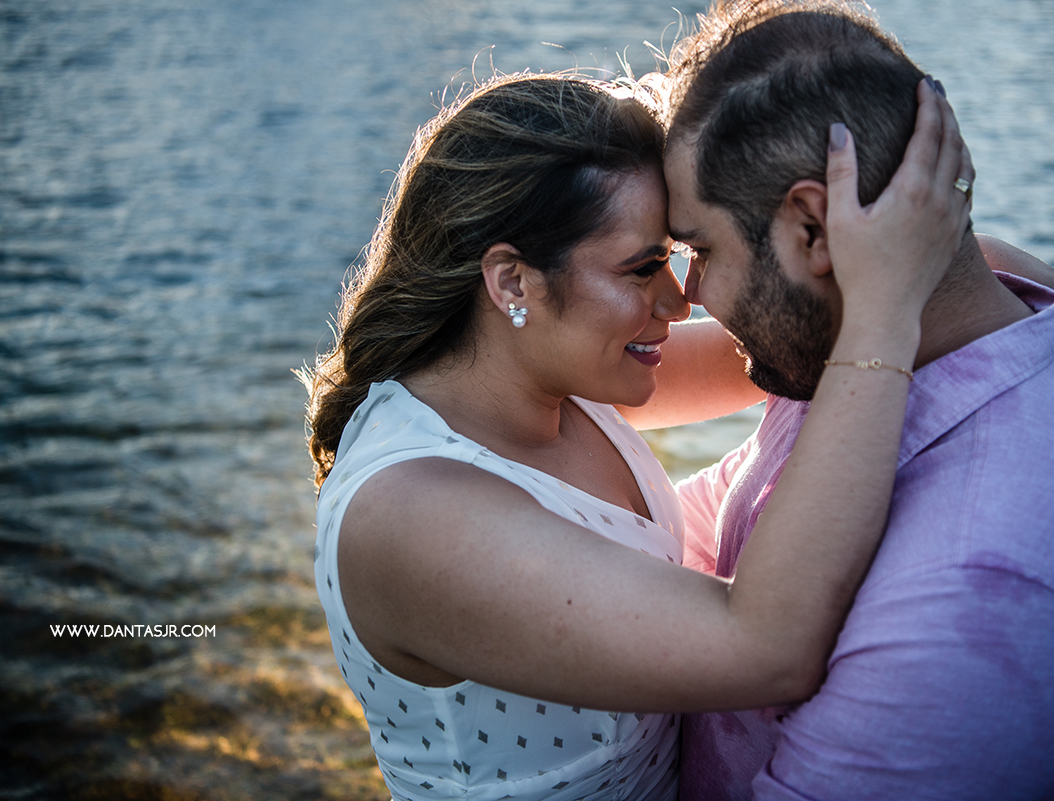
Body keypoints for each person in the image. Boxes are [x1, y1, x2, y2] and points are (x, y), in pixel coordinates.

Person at [301, 66, 983, 801]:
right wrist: (888, 309)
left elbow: (795, 335)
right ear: (511, 282)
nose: (678, 295)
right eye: (643, 266)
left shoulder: (555, 380)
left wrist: (975, 277)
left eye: (677, 253)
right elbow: (769, 646)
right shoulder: (411, 516)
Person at [663, 2, 1054, 799]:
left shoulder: (985, 589)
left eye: (700, 249)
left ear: (812, 231)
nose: (688, 293)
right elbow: (692, 529)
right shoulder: (856, 354)